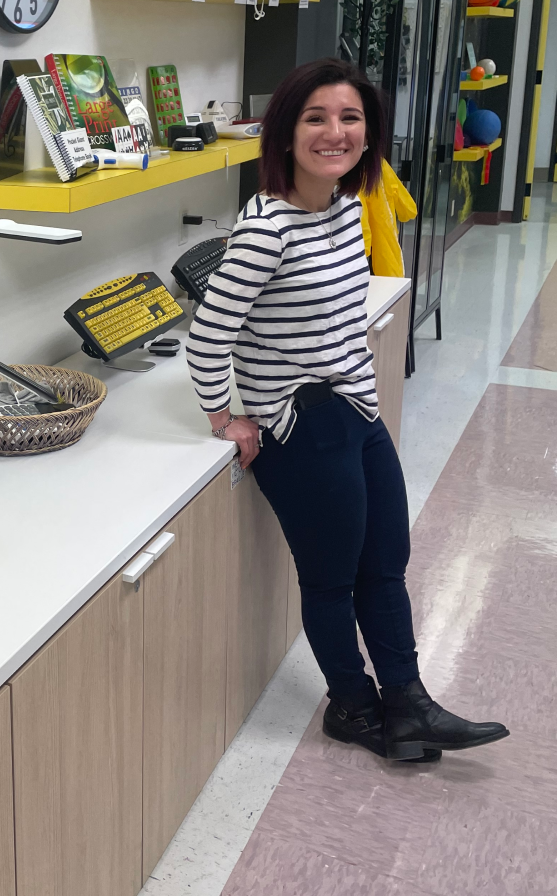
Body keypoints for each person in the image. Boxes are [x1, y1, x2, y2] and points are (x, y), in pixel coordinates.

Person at [186, 58, 508, 762]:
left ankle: (410, 704)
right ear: (286, 133)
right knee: (333, 576)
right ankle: (353, 706)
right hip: (302, 422)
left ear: (368, 134)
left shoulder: (341, 207)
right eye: (316, 118)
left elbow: (336, 319)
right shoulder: (266, 228)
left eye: (350, 118)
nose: (335, 132)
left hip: (355, 410)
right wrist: (225, 417)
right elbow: (209, 335)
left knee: (386, 561)